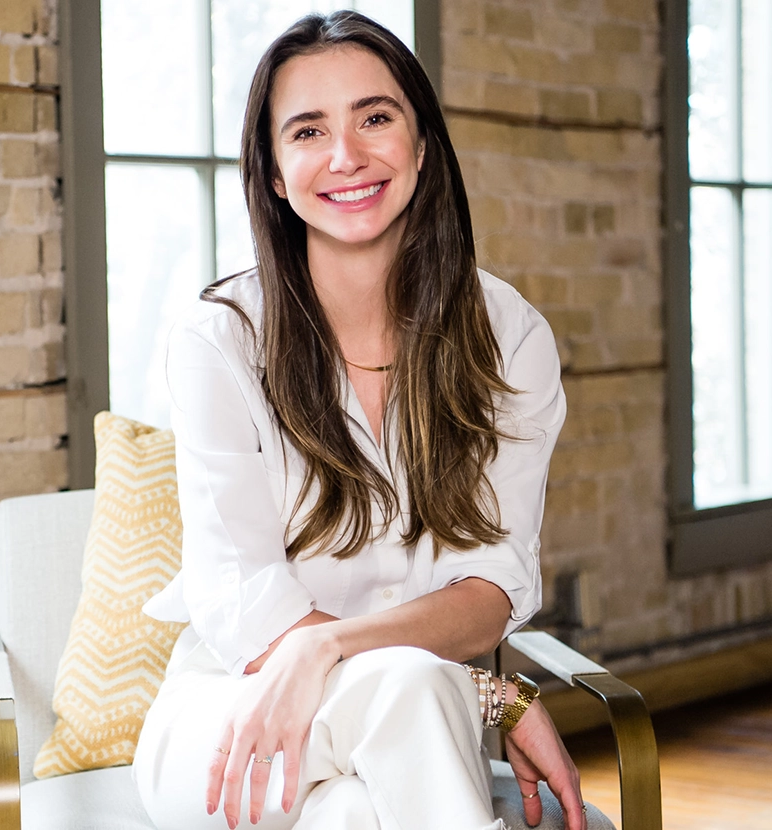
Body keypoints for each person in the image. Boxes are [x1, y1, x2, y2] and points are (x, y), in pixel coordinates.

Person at [134, 10, 582, 830]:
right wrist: (485, 691)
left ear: (421, 145)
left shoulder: (508, 336)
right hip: (234, 717)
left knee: (352, 814)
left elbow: (489, 592)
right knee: (412, 691)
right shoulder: (220, 342)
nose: (346, 156)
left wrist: (330, 643)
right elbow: (247, 608)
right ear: (273, 171)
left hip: (406, 720)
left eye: (375, 117)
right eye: (308, 130)